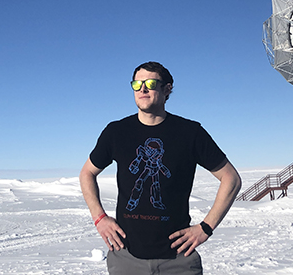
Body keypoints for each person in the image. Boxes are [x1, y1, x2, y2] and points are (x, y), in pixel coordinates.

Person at [80, 61, 242, 274]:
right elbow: (87, 173)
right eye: (136, 85)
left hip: (178, 261)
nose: (142, 89)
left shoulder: (190, 133)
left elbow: (231, 179)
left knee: (153, 184)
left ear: (167, 89)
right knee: (141, 183)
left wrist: (205, 228)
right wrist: (99, 217)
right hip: (126, 257)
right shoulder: (116, 132)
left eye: (150, 83)